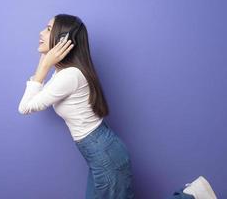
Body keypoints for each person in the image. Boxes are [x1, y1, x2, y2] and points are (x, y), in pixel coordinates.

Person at [18, 13, 217, 199]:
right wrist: (45, 64)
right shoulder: (63, 73)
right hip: (99, 152)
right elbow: (31, 100)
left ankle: (193, 195)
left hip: (104, 155)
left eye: (48, 28)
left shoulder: (70, 76)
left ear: (63, 40)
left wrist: (43, 66)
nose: (41, 33)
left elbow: (25, 107)